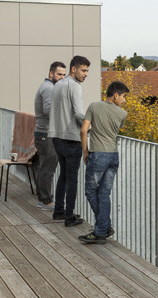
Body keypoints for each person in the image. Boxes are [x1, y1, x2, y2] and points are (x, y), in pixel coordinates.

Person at [78, 81, 129, 244]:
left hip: (98, 155)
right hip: (113, 156)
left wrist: (85, 151)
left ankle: (103, 228)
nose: (124, 100)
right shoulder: (123, 114)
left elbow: (83, 130)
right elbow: (115, 131)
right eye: (124, 96)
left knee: (90, 191)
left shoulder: (93, 106)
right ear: (115, 95)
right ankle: (102, 228)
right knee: (104, 193)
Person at [49, 55, 90, 226]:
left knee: (64, 175)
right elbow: (80, 113)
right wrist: (90, 127)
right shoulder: (75, 86)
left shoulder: (58, 84)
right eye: (83, 70)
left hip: (56, 136)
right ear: (74, 69)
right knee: (72, 178)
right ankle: (69, 216)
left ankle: (59, 211)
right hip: (71, 138)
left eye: (87, 71)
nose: (86, 74)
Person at [33, 61, 66, 210]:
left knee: (44, 166)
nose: (62, 77)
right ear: (51, 73)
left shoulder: (48, 86)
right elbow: (48, 110)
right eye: (59, 74)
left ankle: (42, 198)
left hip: (43, 133)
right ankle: (46, 201)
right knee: (48, 168)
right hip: (47, 133)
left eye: (64, 75)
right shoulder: (49, 88)